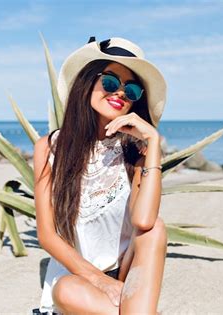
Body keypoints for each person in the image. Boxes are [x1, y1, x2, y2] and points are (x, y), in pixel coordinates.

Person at [33, 37, 168, 314]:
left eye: (131, 90)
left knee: (156, 228)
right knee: (66, 289)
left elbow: (144, 220)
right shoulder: (49, 148)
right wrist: (99, 281)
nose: (119, 93)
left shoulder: (136, 151)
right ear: (87, 84)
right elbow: (47, 235)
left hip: (127, 275)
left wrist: (153, 143)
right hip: (79, 277)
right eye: (109, 82)